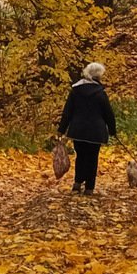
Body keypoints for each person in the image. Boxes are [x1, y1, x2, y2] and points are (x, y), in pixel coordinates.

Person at [56, 61, 117, 194]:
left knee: (81, 156)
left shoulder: (75, 91)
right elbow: (108, 114)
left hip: (78, 130)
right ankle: (89, 187)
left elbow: (68, 112)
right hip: (96, 132)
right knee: (92, 158)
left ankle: (77, 183)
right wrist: (112, 130)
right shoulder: (100, 93)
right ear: (98, 76)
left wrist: (61, 129)